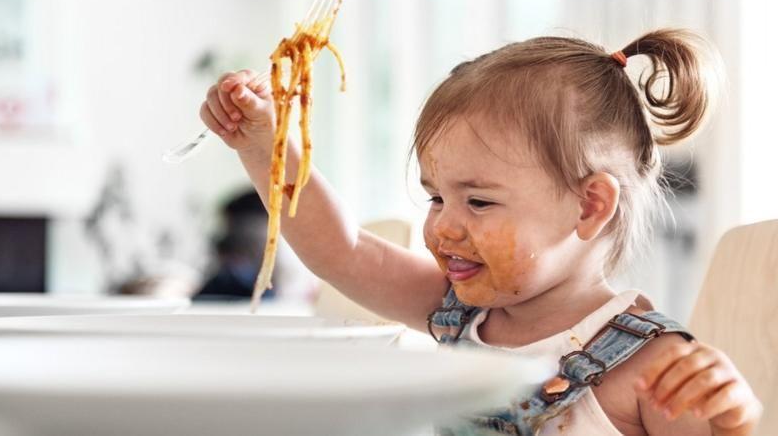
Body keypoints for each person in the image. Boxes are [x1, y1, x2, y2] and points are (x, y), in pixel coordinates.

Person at [198, 29, 762, 435]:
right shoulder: (456, 312)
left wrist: (731, 424)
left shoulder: (652, 366)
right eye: (436, 196)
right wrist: (265, 146)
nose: (443, 224)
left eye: (480, 201)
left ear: (589, 207)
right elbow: (340, 252)